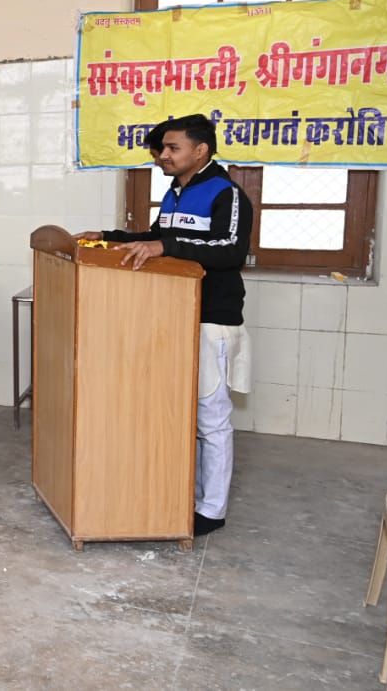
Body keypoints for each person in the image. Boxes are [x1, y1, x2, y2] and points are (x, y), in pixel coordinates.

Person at [74, 113, 253, 537]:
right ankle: (175, 493)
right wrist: (110, 236)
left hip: (212, 318)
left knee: (211, 418)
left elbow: (230, 250)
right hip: (171, 315)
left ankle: (212, 509)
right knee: (173, 414)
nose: (163, 157)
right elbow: (157, 239)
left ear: (200, 150)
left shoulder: (226, 194)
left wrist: (162, 244)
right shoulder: (175, 192)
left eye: (173, 148)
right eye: (163, 150)